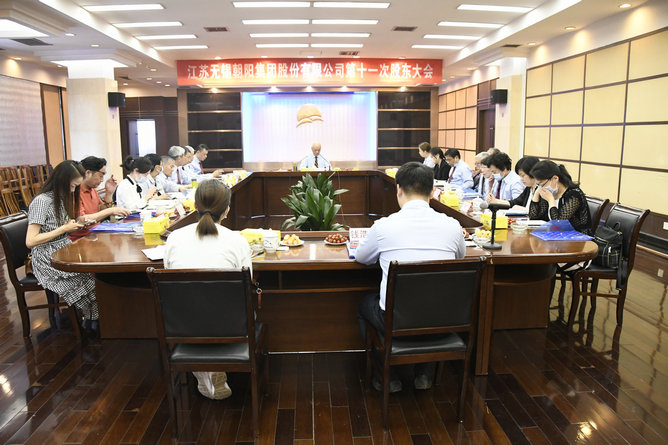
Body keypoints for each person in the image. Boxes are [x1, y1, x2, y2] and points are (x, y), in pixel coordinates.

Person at [356, 162, 466, 393]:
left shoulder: (384, 226)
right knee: (431, 301)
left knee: (365, 304)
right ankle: (423, 374)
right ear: (433, 191)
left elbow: (362, 257)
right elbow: (460, 258)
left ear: (398, 189)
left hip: (395, 322)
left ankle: (387, 376)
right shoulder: (453, 226)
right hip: (444, 320)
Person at [164, 179, 253, 400]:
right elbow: (248, 284)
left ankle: (204, 369)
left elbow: (169, 279)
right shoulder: (237, 241)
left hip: (182, 324)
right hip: (230, 325)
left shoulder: (174, 238)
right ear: (227, 210)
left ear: (195, 206)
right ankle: (211, 369)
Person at [26, 160, 99, 334]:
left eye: (76, 187)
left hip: (63, 249)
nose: (73, 191)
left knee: (97, 275)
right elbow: (30, 241)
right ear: (61, 181)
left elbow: (62, 225)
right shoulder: (42, 201)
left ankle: (94, 320)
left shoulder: (60, 199)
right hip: (46, 257)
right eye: (72, 186)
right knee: (90, 281)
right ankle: (93, 323)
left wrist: (79, 222)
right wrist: (64, 229)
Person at [529, 160, 593, 272]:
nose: (540, 188)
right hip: (556, 243)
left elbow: (559, 223)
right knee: (532, 255)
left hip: (578, 248)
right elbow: (534, 217)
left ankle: (543, 282)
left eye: (541, 184)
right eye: (538, 185)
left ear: (555, 179)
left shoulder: (574, 194)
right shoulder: (550, 193)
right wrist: (536, 194)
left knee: (539, 263)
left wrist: (551, 201)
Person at [78, 156, 130, 221]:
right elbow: (82, 220)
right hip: (88, 228)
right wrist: (111, 210)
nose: (102, 180)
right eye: (101, 176)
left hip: (98, 226)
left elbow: (101, 210)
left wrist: (109, 194)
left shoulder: (92, 189)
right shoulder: (76, 192)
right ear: (88, 173)